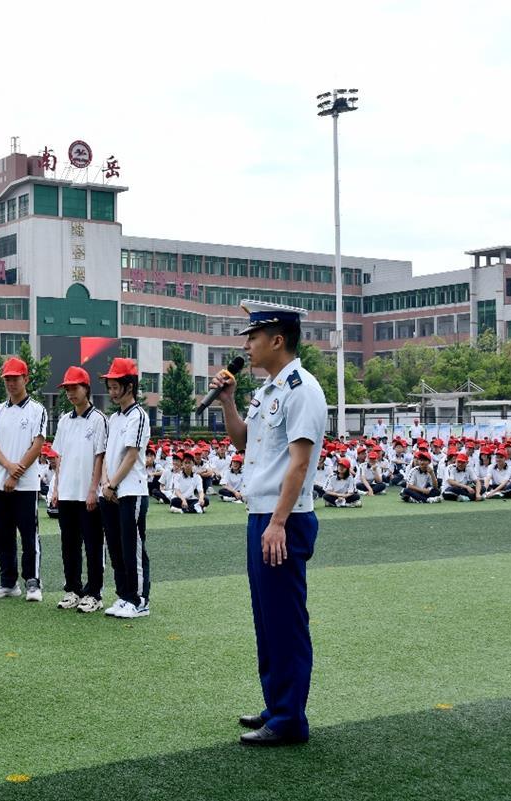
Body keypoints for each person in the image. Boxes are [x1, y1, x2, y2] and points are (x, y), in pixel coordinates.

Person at [211, 300, 327, 747]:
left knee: (285, 619)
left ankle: (289, 719)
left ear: (278, 339)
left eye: (253, 337)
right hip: (260, 512)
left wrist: (277, 523)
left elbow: (298, 465)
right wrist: (228, 402)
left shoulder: (302, 389)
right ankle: (277, 703)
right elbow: (243, 440)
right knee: (266, 617)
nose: (246, 345)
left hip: (284, 517)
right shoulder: (268, 390)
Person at [0, 357, 48, 601]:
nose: (11, 383)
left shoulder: (37, 410)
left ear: (26, 379)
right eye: (7, 379)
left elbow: (37, 444)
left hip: (26, 484)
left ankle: (33, 583)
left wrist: (16, 472)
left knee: (28, 534)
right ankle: (8, 582)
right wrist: (8, 467)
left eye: (15, 378)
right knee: (1, 534)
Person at [98, 357, 152, 620]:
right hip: (111, 490)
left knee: (133, 546)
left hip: (131, 489)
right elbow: (108, 454)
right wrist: (107, 485)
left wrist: (113, 484)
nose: (111, 390)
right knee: (116, 546)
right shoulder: (113, 418)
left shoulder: (138, 416)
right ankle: (123, 595)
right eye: (109, 385)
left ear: (129, 386)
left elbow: (131, 455)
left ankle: (139, 598)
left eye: (115, 385)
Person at [51, 366, 107, 613]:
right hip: (67, 493)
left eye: (75, 388)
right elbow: (59, 458)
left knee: (93, 544)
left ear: (86, 388)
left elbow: (100, 456)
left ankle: (94, 592)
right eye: (67, 389)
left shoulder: (98, 420)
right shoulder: (64, 420)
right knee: (69, 544)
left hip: (88, 494)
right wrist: (55, 488)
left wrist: (94, 489)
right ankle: (73, 589)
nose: (70, 393)